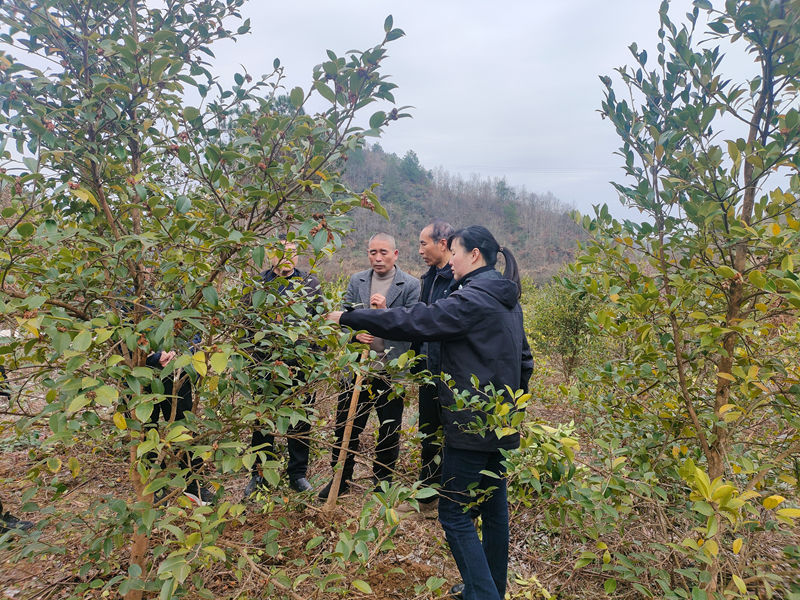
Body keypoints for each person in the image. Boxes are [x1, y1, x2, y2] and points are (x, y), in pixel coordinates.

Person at [327, 226, 533, 600]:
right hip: (501, 423)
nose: (448, 258)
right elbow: (525, 362)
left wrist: (351, 317)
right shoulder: (507, 300)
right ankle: (487, 586)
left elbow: (416, 320)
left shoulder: (473, 299)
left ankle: (483, 594)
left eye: (453, 251)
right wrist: (509, 409)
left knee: (454, 514)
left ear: (473, 256)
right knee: (492, 507)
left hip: (471, 428)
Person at [317, 233, 421, 500]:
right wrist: (355, 335)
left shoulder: (410, 285)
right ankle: (340, 478)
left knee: (388, 428)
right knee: (346, 424)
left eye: (383, 252)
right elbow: (344, 317)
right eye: (373, 252)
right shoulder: (357, 280)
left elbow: (412, 328)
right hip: (357, 369)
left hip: (390, 371)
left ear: (395, 254)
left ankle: (382, 484)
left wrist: (384, 316)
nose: (378, 257)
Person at [244, 237, 322, 497]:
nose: (287, 257)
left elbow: (319, 325)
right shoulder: (257, 285)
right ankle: (260, 474)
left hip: (300, 367)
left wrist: (314, 363)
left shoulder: (310, 284)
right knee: (262, 422)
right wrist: (252, 361)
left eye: (292, 252)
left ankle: (297, 474)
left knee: (300, 423)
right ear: (270, 254)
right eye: (281, 252)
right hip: (265, 366)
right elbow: (245, 326)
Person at [404, 220, 454, 518]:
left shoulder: (458, 279)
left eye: (424, 243)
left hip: (451, 374)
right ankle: (427, 498)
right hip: (429, 372)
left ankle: (449, 500)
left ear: (443, 243)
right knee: (429, 433)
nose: (420, 249)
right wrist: (416, 361)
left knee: (452, 436)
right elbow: (420, 324)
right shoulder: (430, 278)